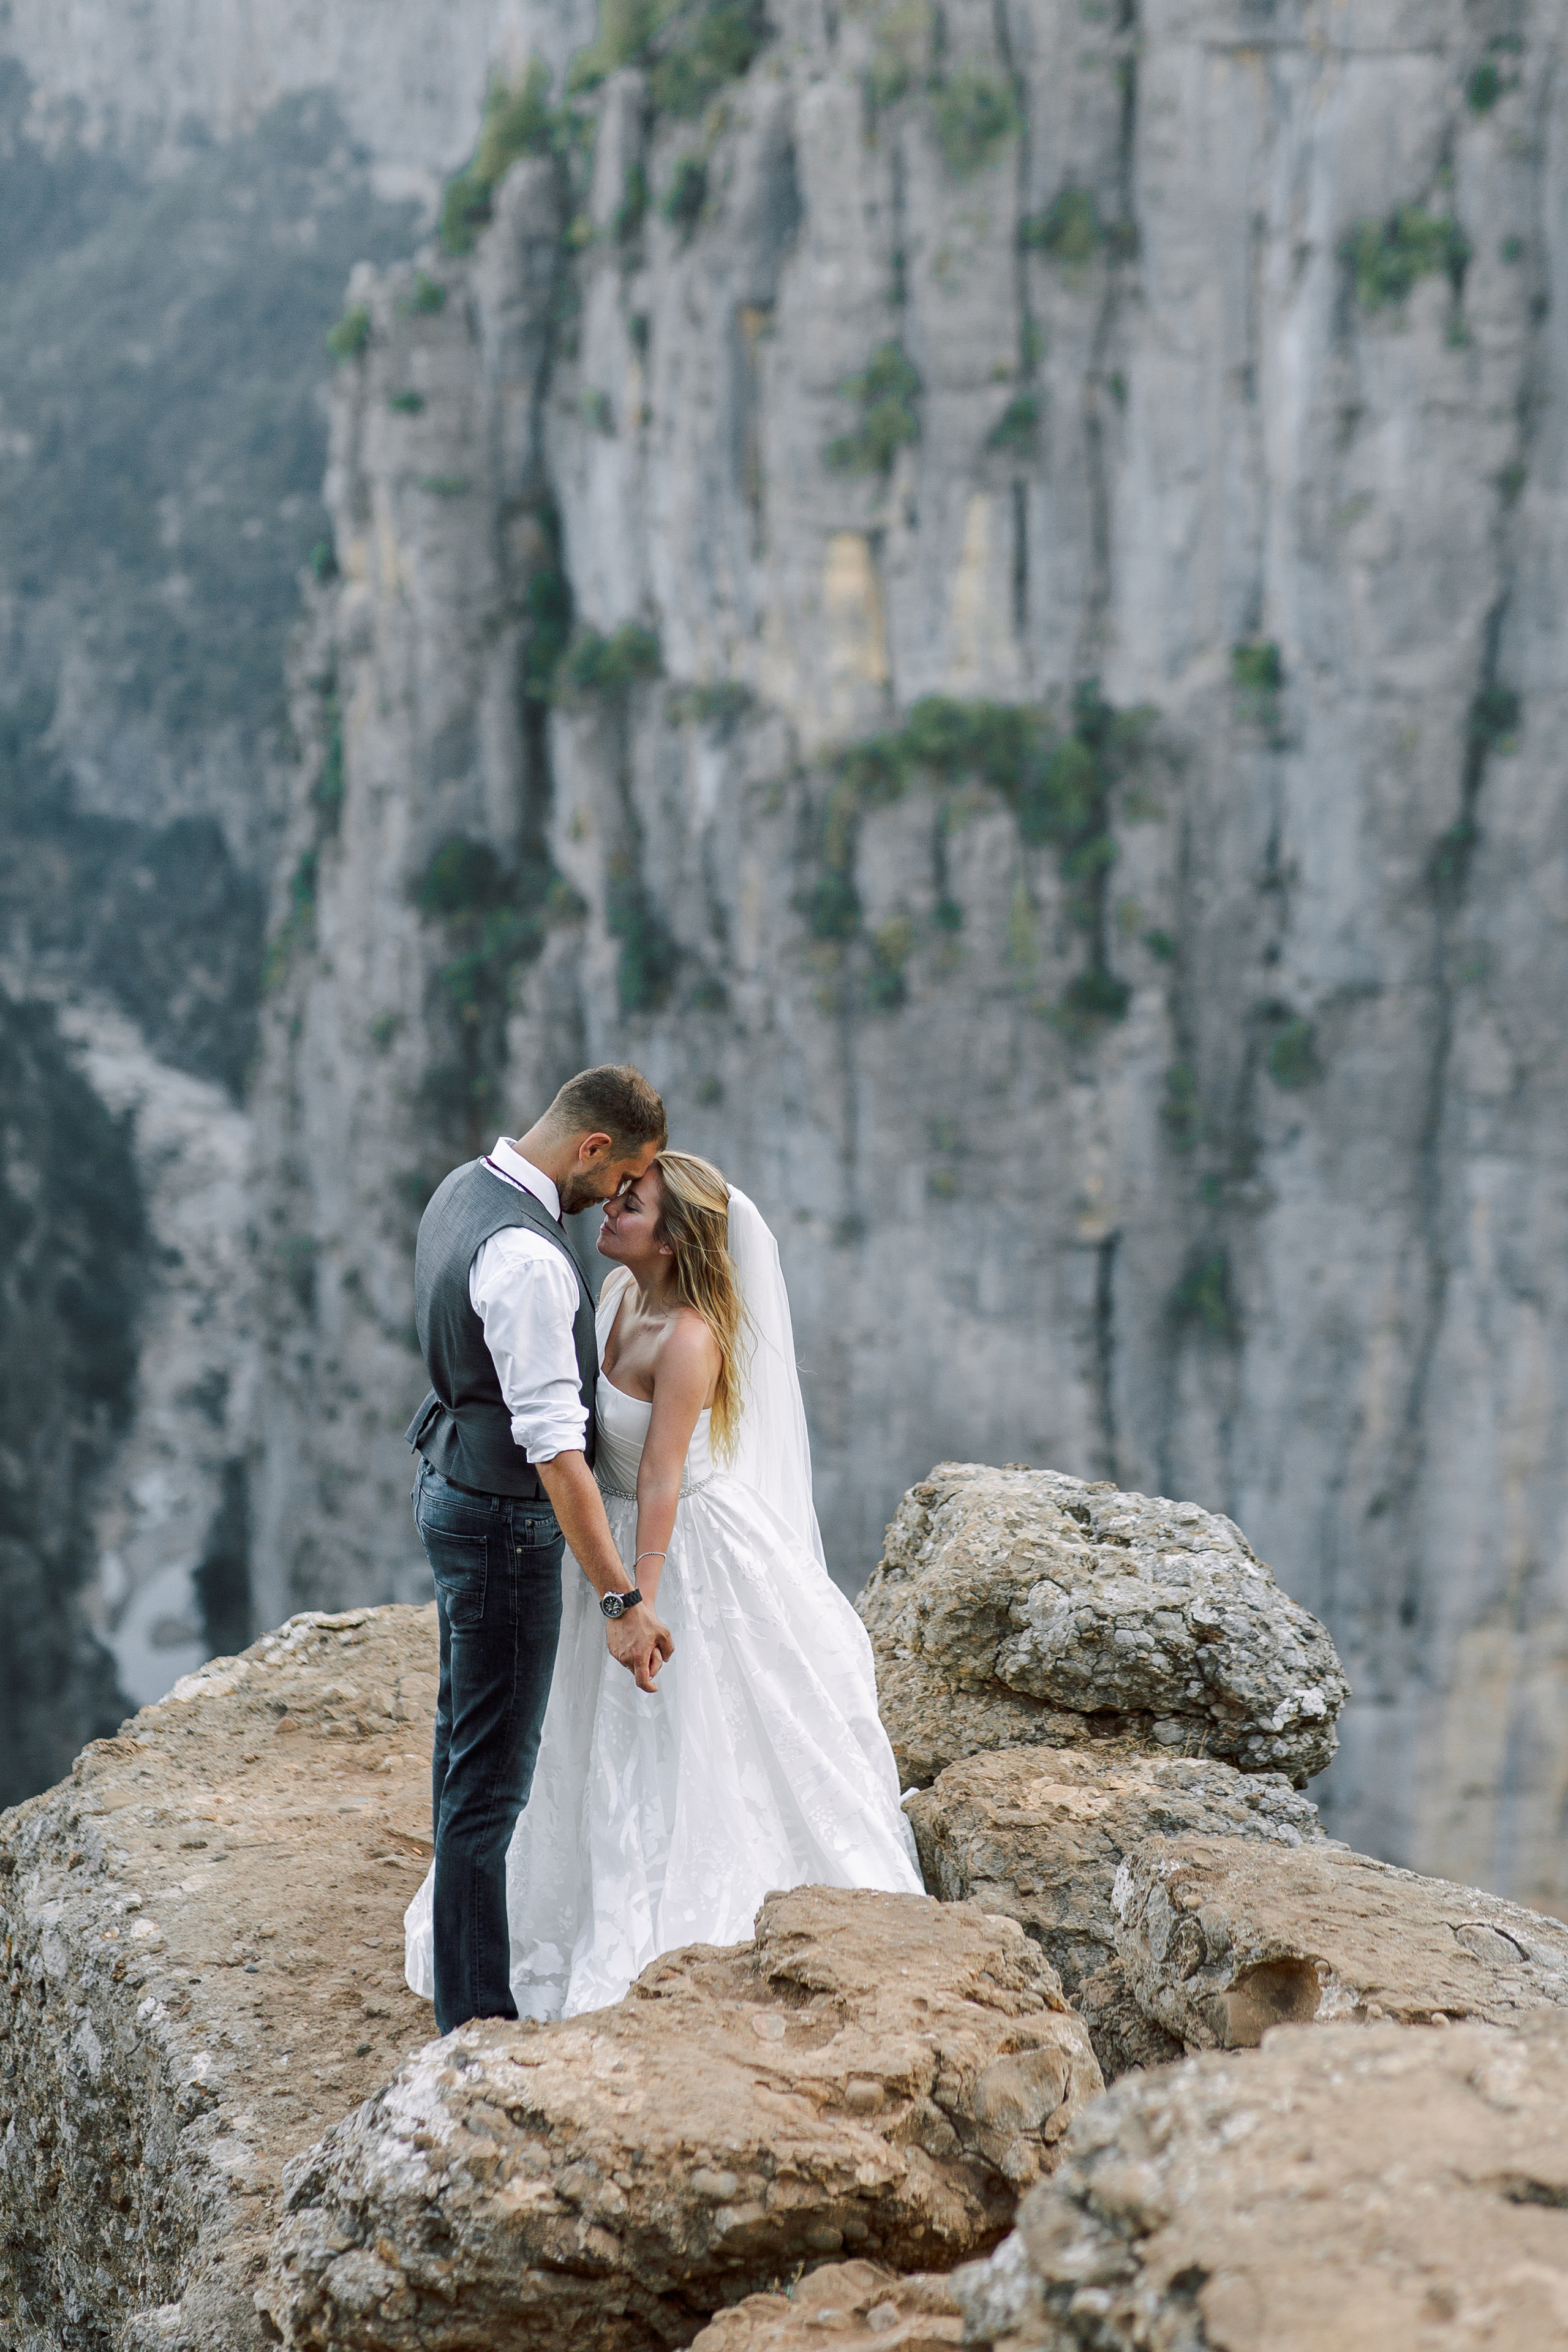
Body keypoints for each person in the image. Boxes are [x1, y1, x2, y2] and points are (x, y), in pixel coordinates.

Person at [405, 1148, 922, 2022]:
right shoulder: (612, 1296)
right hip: (594, 1541)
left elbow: (660, 1479)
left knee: (681, 1749)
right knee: (562, 1745)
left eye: (630, 1206)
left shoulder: (691, 1339)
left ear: (674, 1242)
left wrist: (636, 1596)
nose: (607, 1210)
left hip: (669, 1547)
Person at [404, 1063, 673, 2036]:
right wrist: (619, 1601)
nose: (615, 1200)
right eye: (622, 1177)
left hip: (451, 1486)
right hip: (500, 1527)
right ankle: (475, 2025)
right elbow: (557, 1455)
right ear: (593, 1148)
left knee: (459, 1743)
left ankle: (453, 1967)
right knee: (491, 1783)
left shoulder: (463, 1189)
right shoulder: (528, 1260)